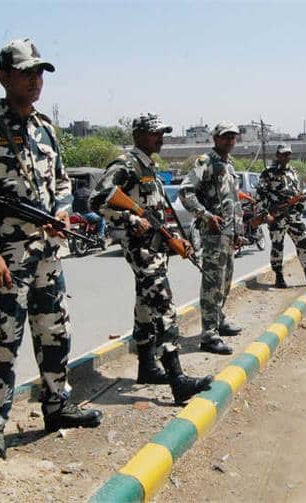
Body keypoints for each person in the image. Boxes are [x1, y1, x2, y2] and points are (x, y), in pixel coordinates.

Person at [0, 38, 102, 466]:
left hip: (48, 253)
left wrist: (63, 212)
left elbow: (63, 181)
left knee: (55, 332)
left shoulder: (46, 128)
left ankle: (57, 405)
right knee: (1, 343)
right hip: (7, 258)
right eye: (25, 73)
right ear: (4, 77)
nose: (35, 81)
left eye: (39, 73)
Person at [90, 113, 212, 404]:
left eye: (162, 133)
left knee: (145, 307)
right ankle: (178, 379)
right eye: (155, 133)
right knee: (164, 306)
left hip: (155, 247)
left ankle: (147, 367)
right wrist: (130, 219)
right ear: (139, 135)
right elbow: (97, 199)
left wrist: (175, 238)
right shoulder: (126, 164)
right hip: (140, 249)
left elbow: (155, 213)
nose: (161, 139)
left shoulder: (149, 167)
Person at [179, 122, 244, 355]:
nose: (230, 141)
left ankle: (218, 320)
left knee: (225, 282)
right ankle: (209, 335)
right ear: (215, 139)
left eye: (233, 137)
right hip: (213, 234)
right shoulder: (205, 162)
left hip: (228, 234)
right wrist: (205, 216)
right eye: (225, 137)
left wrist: (238, 231)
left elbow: (233, 200)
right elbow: (185, 191)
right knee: (212, 284)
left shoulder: (229, 165)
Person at [256, 144, 306, 289]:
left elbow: (296, 191)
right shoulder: (268, 173)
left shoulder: (292, 172)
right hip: (277, 216)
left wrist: (300, 198)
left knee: (305, 240)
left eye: (288, 154)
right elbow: (260, 195)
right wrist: (266, 214)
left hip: (293, 215)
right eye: (283, 154)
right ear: (277, 155)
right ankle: (279, 277)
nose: (286, 157)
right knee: (278, 246)